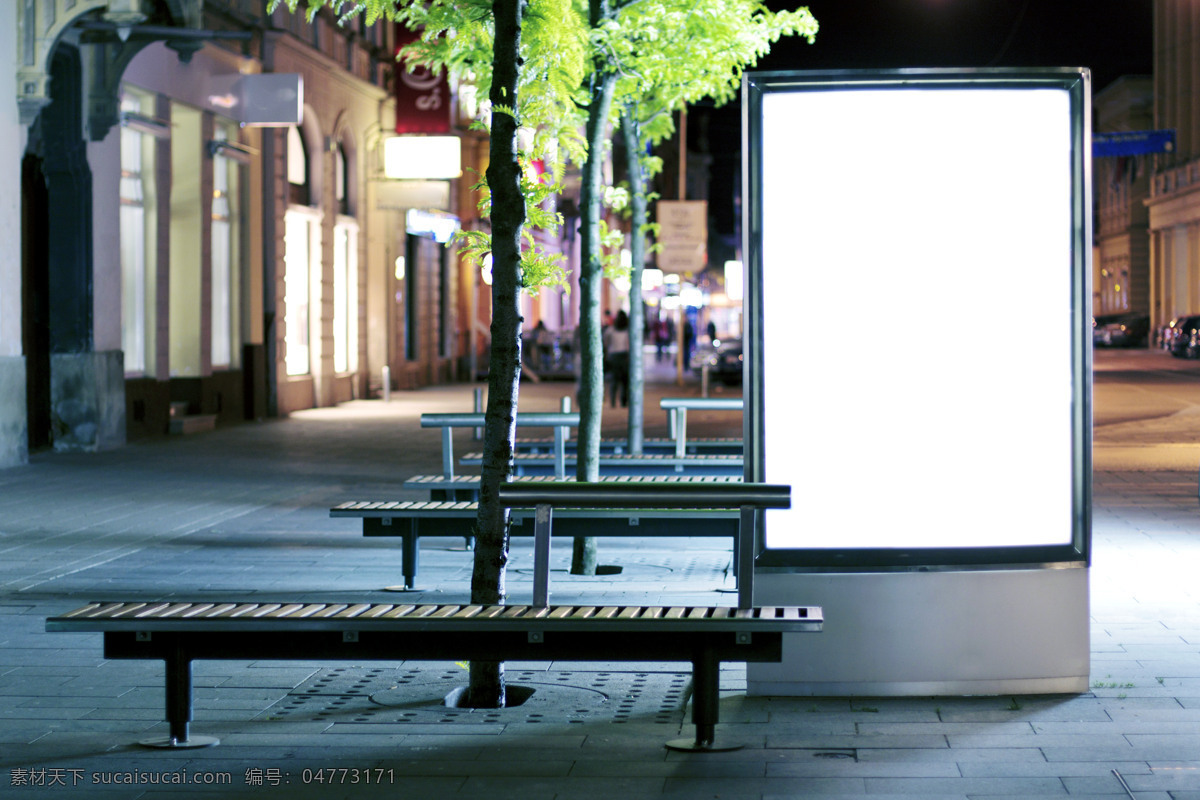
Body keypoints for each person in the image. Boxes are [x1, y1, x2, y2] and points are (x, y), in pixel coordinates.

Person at [603, 310, 631, 407]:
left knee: (614, 380)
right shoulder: (627, 330)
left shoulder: (611, 330)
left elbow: (605, 342)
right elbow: (629, 345)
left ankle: (613, 401)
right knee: (624, 380)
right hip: (624, 355)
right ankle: (623, 401)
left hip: (613, 355)